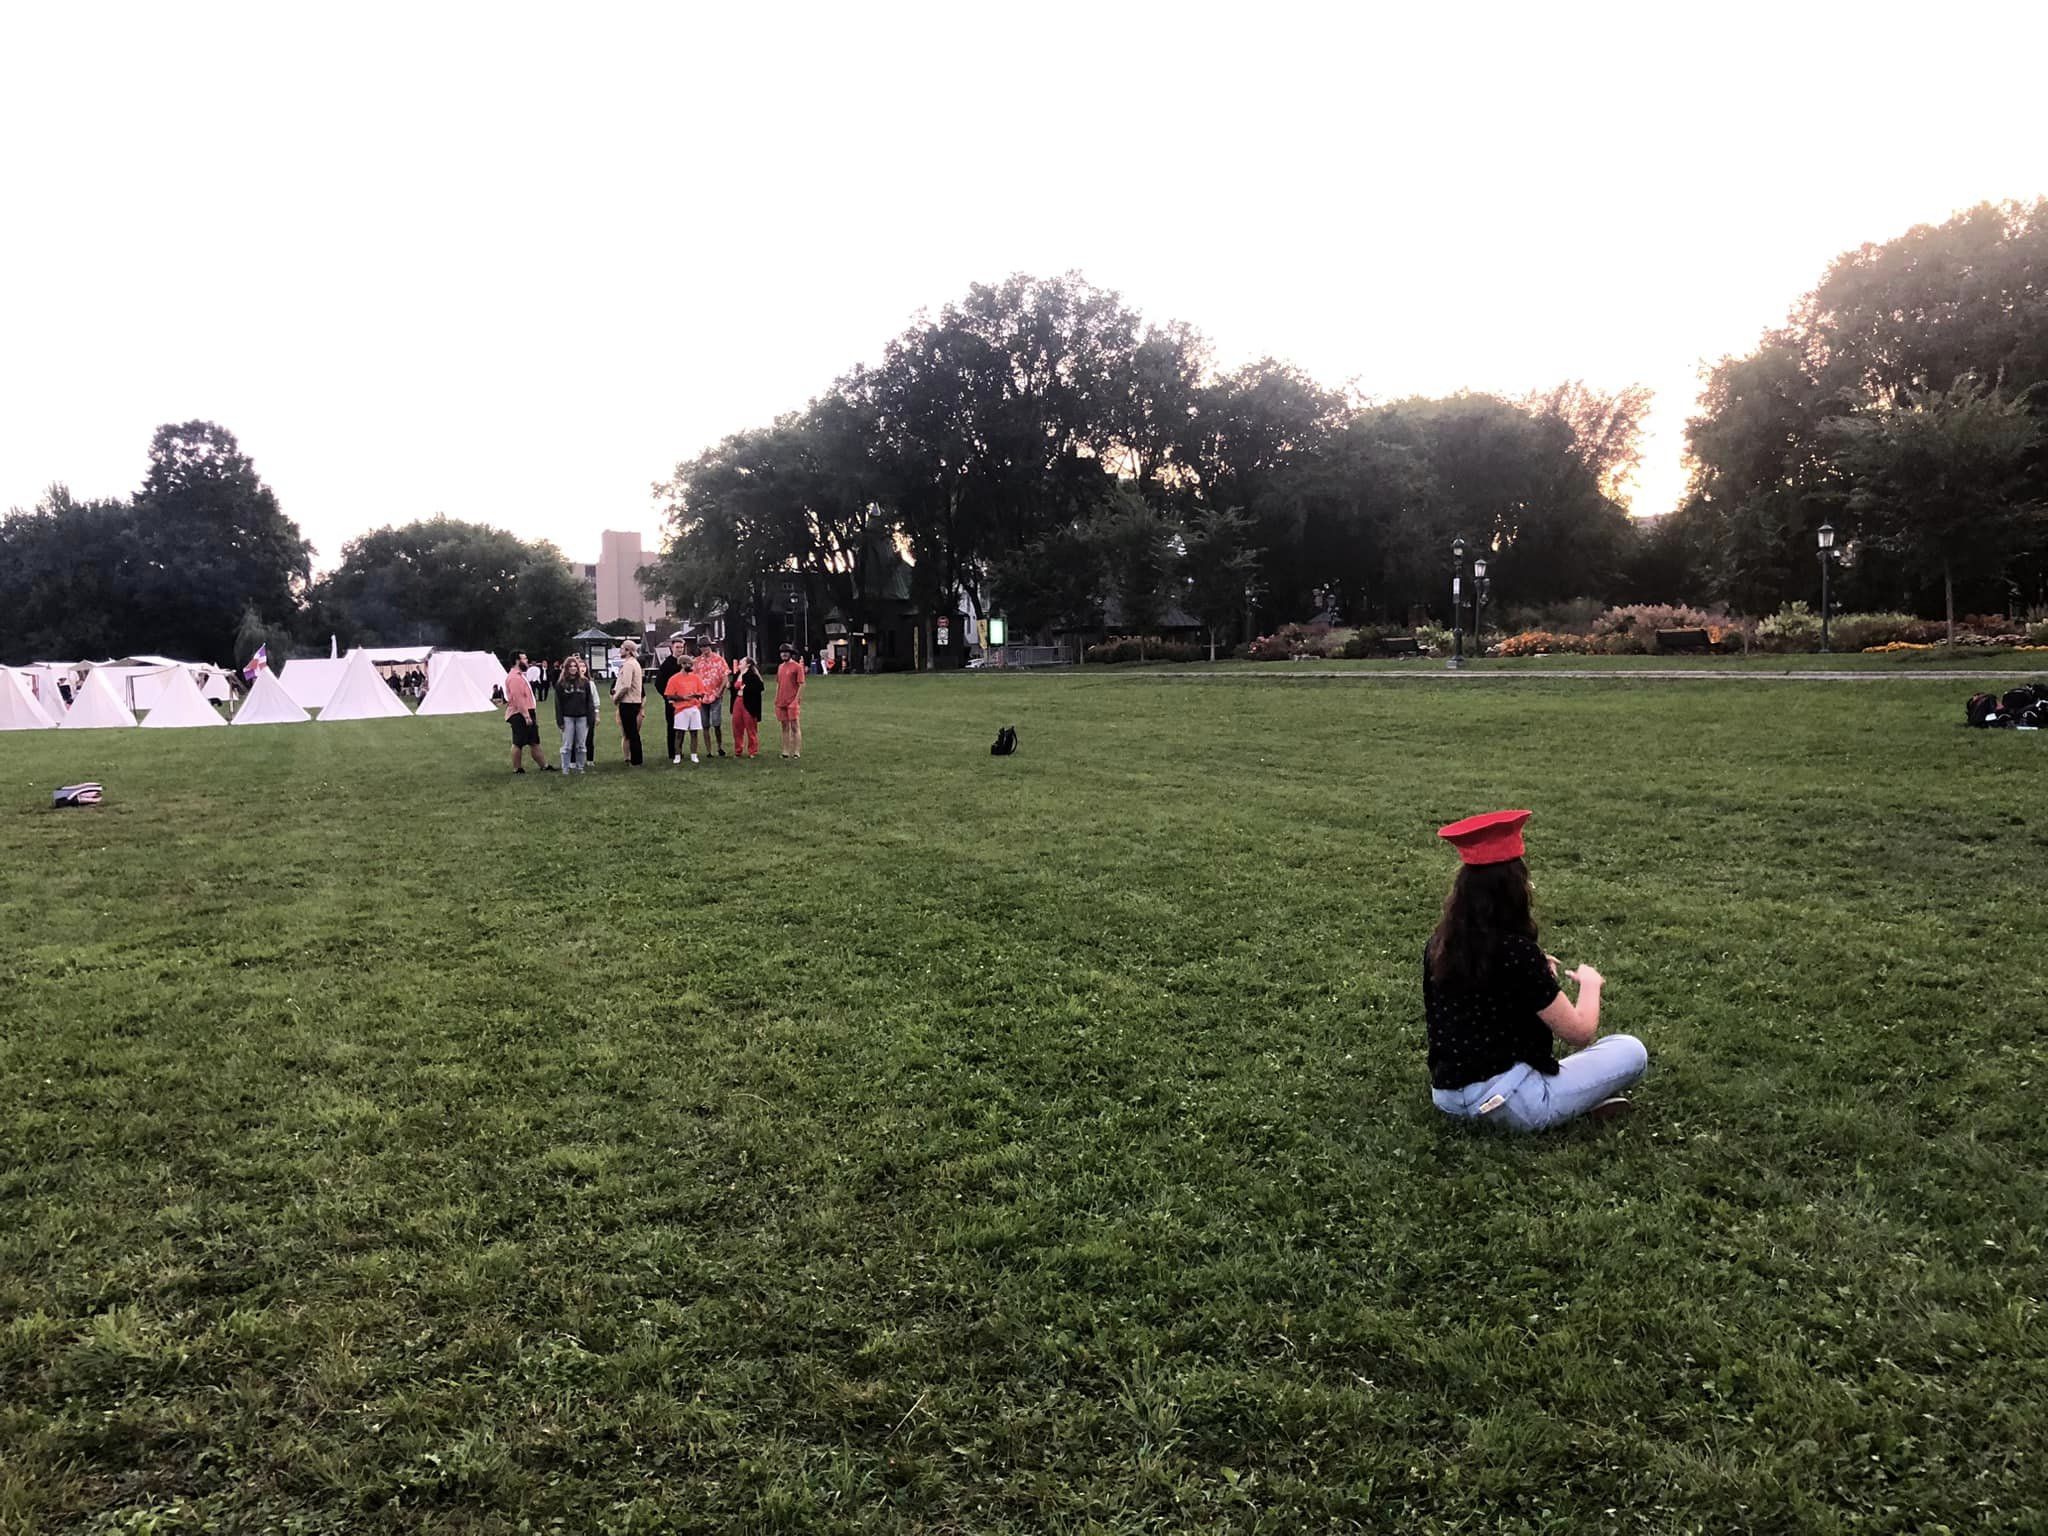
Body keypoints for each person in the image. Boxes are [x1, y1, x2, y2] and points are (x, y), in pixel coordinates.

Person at [1423, 810, 1646, 1131]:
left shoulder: (1440, 944)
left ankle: (1578, 1099)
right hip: (1511, 1103)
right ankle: (1577, 1102)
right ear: (1515, 890)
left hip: (1447, 1097)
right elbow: (1579, 1033)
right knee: (1630, 1050)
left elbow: (1486, 997)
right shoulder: (1518, 954)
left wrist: (1536, 975)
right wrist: (1590, 983)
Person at [504, 653, 552, 774]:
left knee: (534, 741)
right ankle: (517, 768)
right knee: (518, 742)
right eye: (524, 658)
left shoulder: (521, 675)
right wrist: (526, 715)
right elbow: (518, 699)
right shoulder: (514, 677)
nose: (527, 660)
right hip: (519, 713)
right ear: (517, 661)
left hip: (527, 711)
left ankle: (544, 766)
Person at [662, 640, 706, 765]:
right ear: (682, 665)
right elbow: (669, 694)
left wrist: (695, 695)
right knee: (679, 733)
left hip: (694, 707)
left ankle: (694, 755)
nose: (690, 667)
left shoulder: (695, 678)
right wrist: (682, 698)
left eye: (691, 664)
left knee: (694, 732)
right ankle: (677, 755)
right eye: (688, 664)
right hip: (680, 709)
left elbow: (702, 693)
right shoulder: (674, 679)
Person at [554, 655, 597, 773]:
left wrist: (591, 718)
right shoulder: (561, 684)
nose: (573, 668)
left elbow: (589, 701)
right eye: (570, 666)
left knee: (581, 745)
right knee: (567, 745)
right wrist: (560, 721)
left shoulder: (584, 682)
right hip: (567, 717)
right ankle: (565, 768)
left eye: (575, 666)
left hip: (582, 717)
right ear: (566, 668)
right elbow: (558, 704)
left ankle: (580, 767)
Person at [612, 639, 645, 765]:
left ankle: (636, 760)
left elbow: (626, 685)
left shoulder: (629, 665)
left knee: (631, 733)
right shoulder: (634, 663)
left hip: (628, 702)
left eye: (622, 648)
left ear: (628, 650)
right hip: (634, 701)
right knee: (632, 732)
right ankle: (637, 759)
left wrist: (616, 698)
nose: (620, 651)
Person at [656, 637, 686, 763]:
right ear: (672, 648)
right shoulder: (667, 664)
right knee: (672, 726)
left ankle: (679, 749)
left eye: (681, 647)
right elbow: (659, 683)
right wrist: (667, 696)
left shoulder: (685, 663)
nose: (680, 649)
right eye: (677, 647)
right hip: (671, 701)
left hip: (684, 701)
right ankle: (672, 752)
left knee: (682, 727)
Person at [730, 655, 763, 759]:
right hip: (738, 701)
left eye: (742, 661)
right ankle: (738, 750)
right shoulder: (737, 674)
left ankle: (752, 750)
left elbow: (759, 687)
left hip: (749, 703)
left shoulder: (752, 675)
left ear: (748, 664)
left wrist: (745, 688)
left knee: (750, 727)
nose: (740, 662)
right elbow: (733, 687)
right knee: (737, 726)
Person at [775, 642, 805, 759]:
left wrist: (796, 700)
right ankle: (785, 751)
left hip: (792, 701)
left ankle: (796, 752)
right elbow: (778, 683)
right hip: (781, 701)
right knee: (784, 726)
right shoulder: (780, 667)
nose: (784, 654)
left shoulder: (797, 667)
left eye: (786, 652)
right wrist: (777, 698)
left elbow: (801, 684)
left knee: (795, 726)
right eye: (782, 652)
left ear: (790, 654)